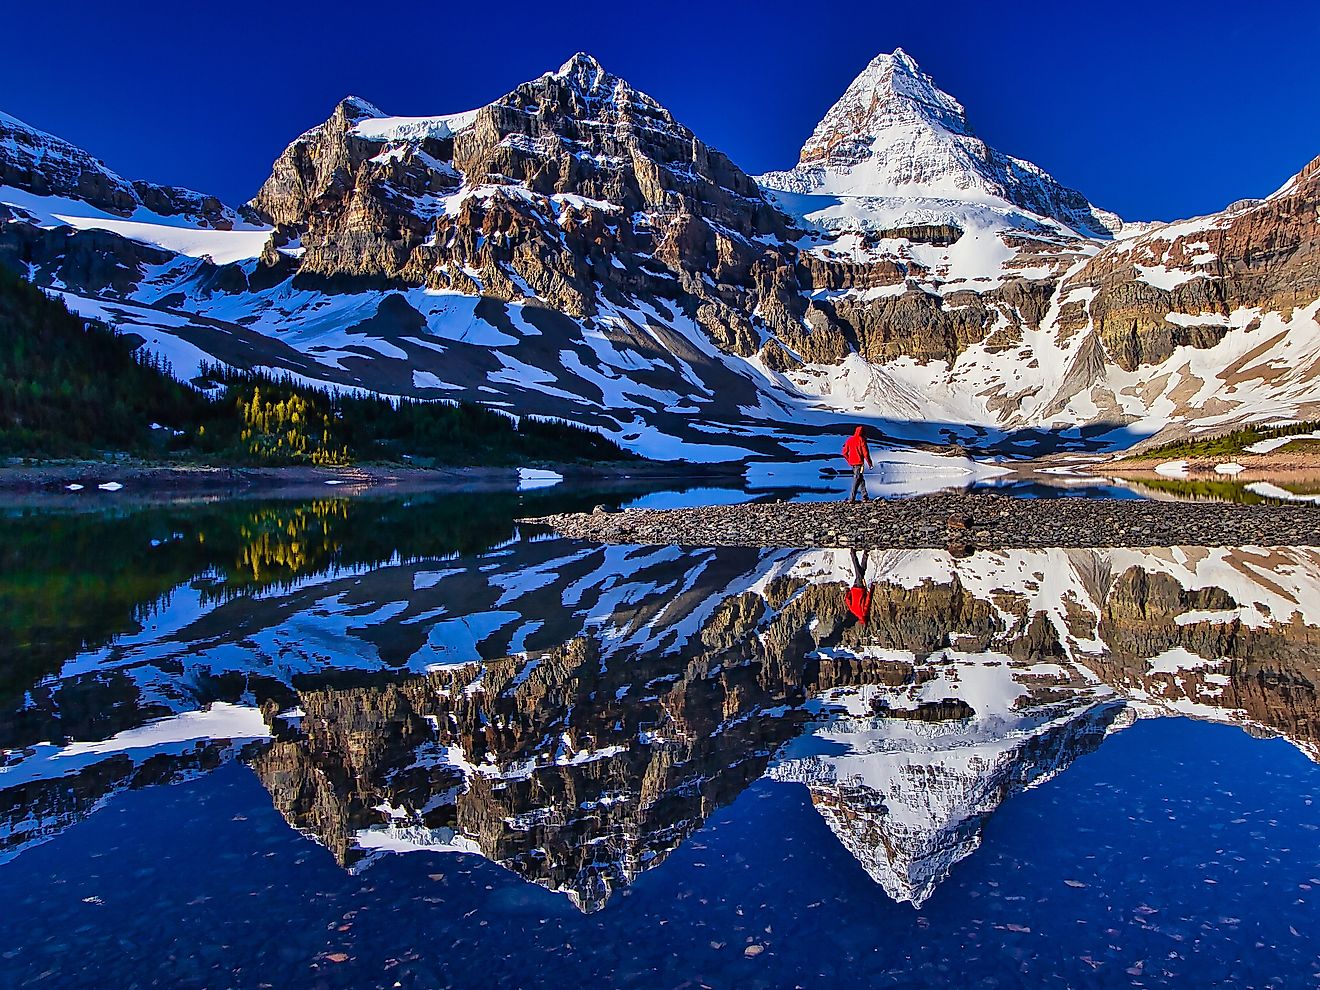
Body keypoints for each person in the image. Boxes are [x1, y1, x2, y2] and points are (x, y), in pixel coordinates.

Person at [842, 425, 873, 502]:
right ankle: (851, 498)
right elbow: (865, 453)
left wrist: (849, 461)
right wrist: (869, 463)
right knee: (857, 480)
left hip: (853, 464)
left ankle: (864, 496)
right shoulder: (861, 440)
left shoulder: (849, 440)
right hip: (859, 464)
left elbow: (844, 453)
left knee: (860, 479)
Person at [846, 549, 872, 626]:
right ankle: (865, 555)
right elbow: (847, 600)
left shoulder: (864, 613)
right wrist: (850, 591)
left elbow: (868, 600)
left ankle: (853, 554)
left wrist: (871, 590)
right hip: (855, 588)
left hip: (861, 588)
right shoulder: (854, 611)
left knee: (858, 572)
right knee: (861, 572)